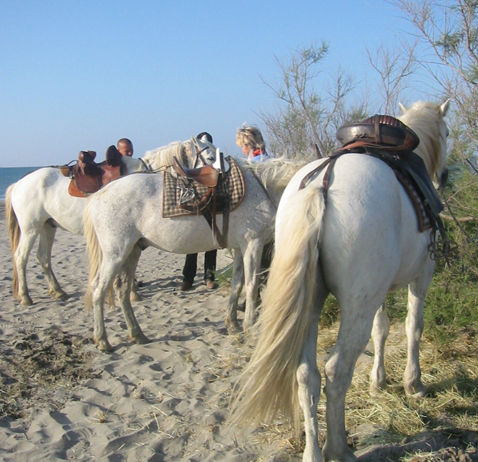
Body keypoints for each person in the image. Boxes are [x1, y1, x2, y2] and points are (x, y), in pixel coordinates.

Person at [179, 131, 218, 291]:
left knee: (211, 242)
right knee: (193, 243)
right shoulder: (191, 162)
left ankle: (209, 277)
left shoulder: (214, 158)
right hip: (196, 202)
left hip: (212, 203)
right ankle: (188, 278)